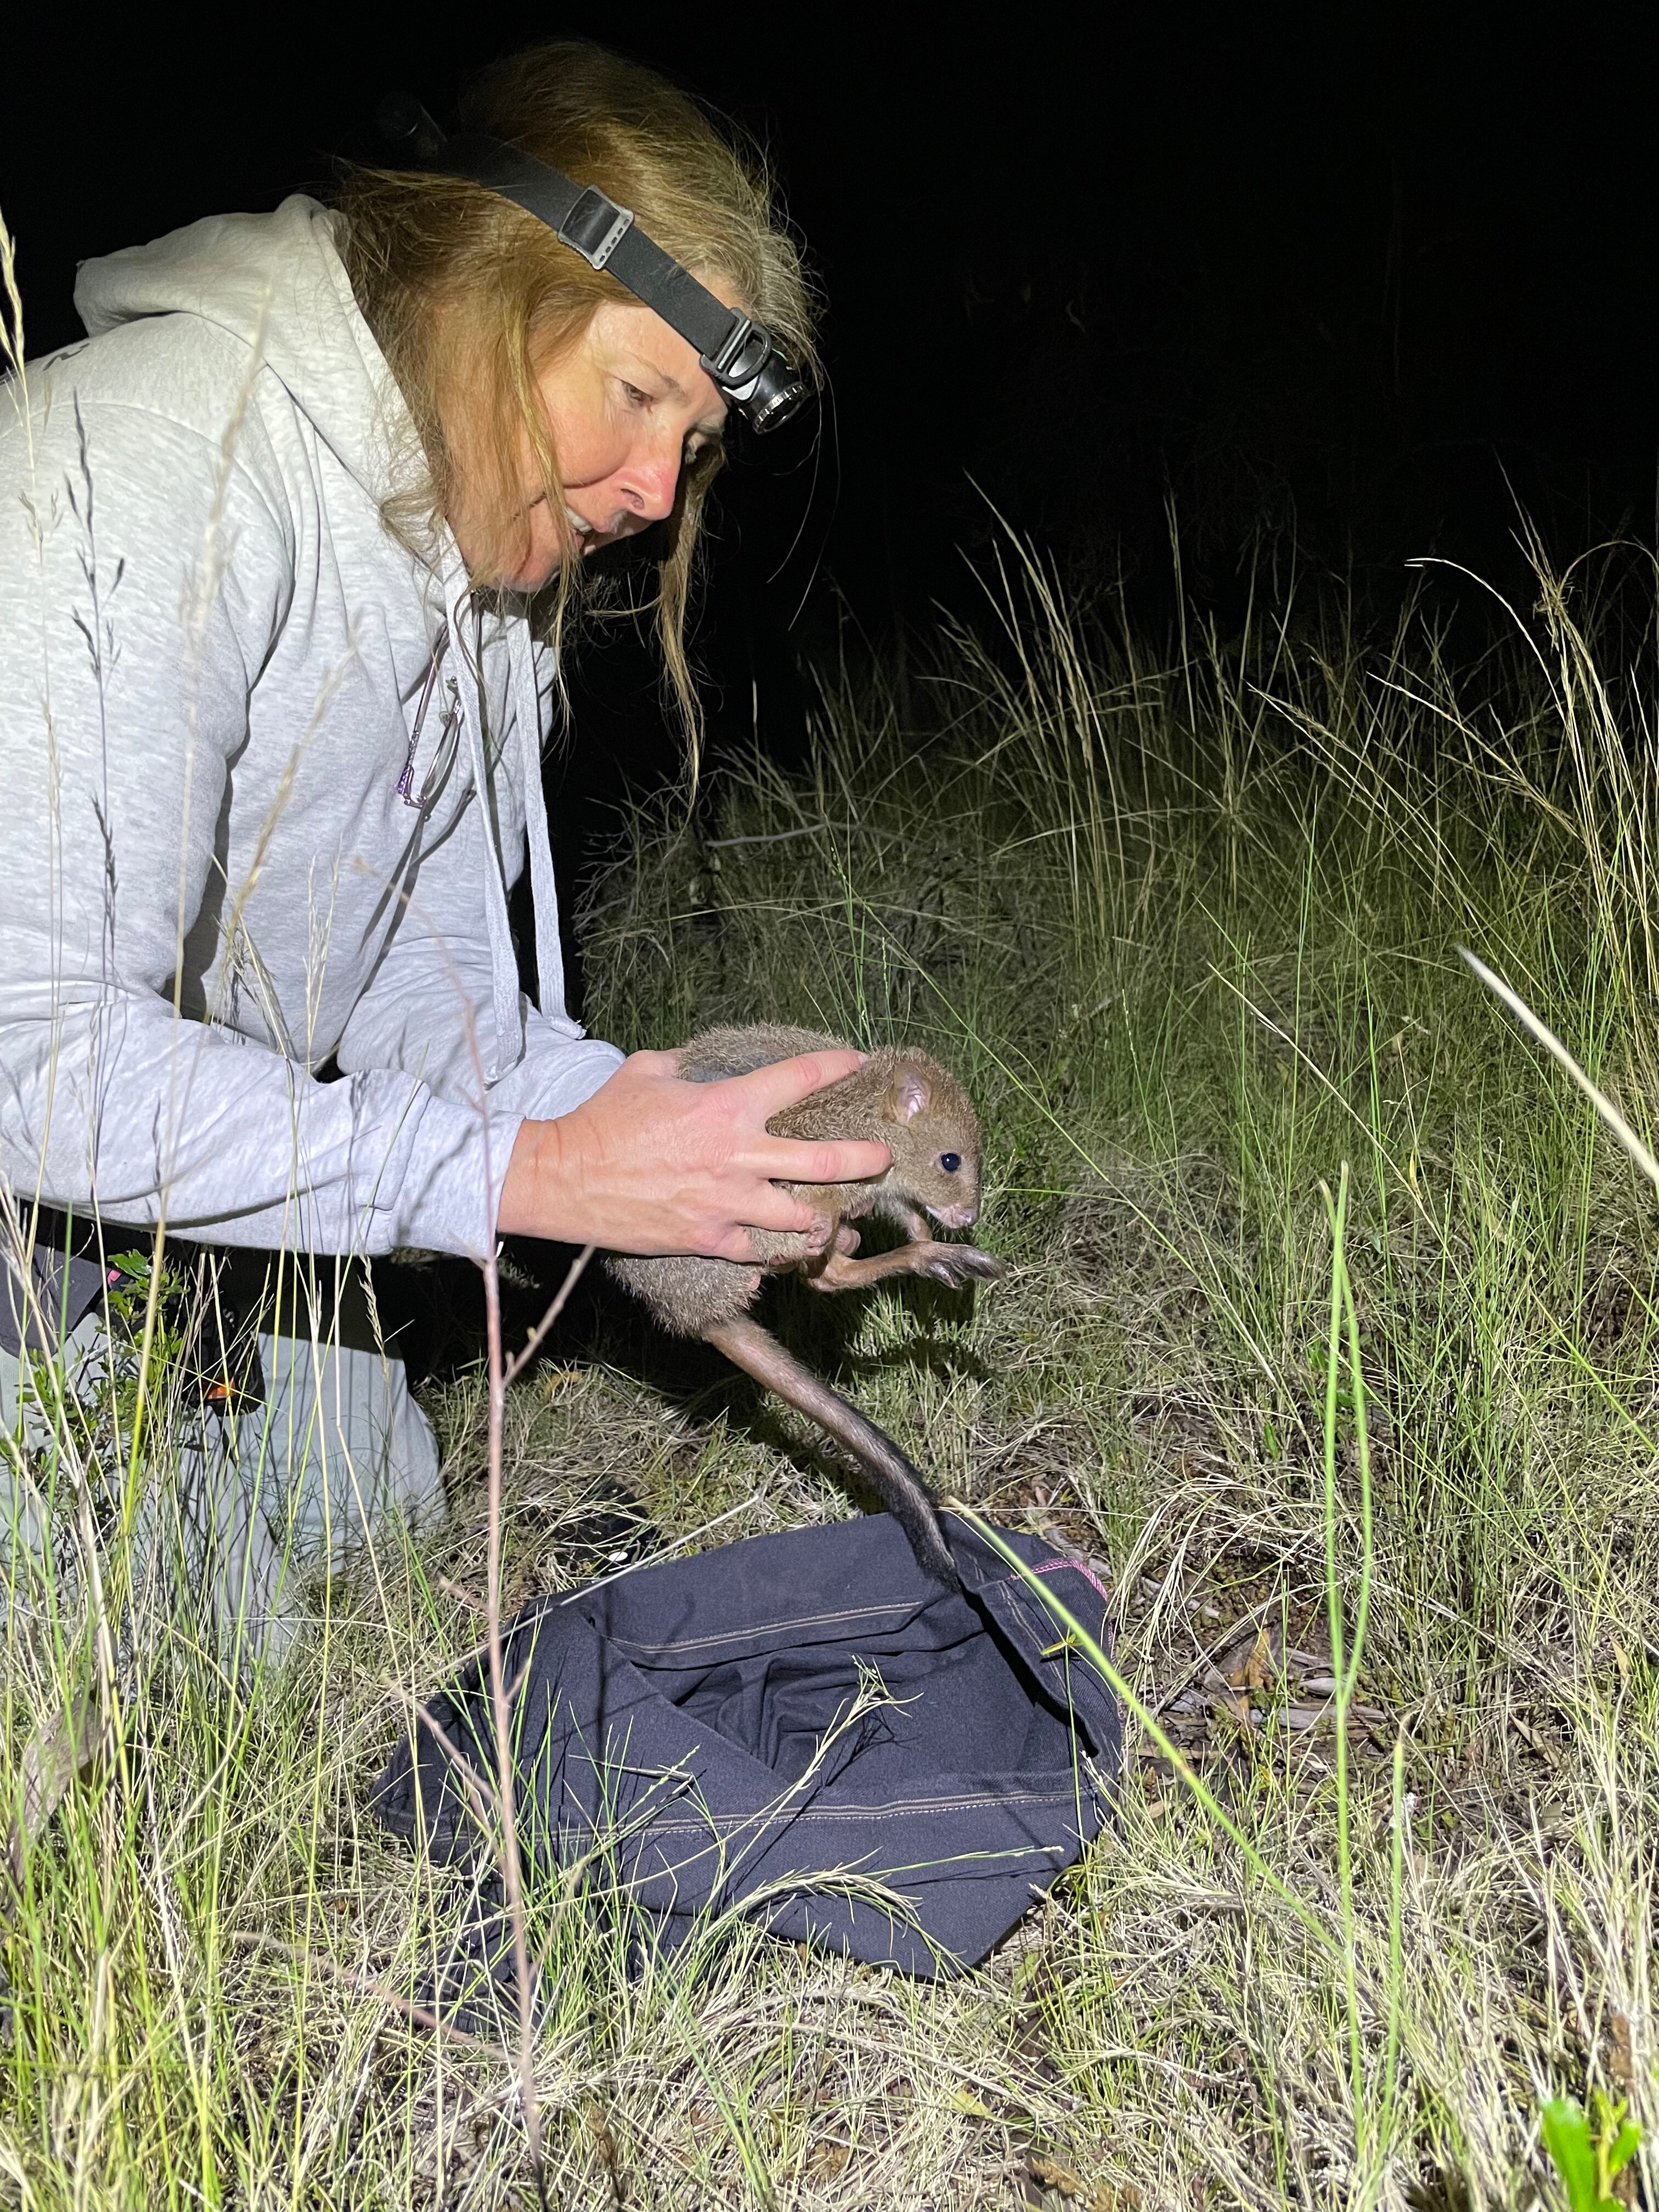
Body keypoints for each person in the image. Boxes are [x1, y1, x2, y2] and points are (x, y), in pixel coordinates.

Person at [0, 40, 889, 1650]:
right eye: (634, 398)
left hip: (170, 1202)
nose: (648, 493)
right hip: (34, 1165)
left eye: (691, 450)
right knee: (203, 1701)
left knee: (370, 1548)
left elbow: (423, 999)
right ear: (489, 284)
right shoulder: (136, 462)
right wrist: (532, 1170)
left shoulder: (476, 568)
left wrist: (685, 1143)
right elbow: (32, 1058)